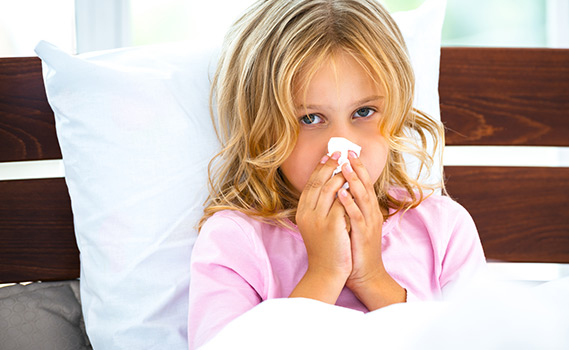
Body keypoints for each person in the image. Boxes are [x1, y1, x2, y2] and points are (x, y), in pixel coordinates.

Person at [188, 0, 486, 348]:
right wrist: (325, 274)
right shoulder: (234, 241)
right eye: (310, 118)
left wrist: (373, 278)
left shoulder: (443, 229)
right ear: (262, 129)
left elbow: (477, 340)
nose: (340, 146)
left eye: (364, 111)